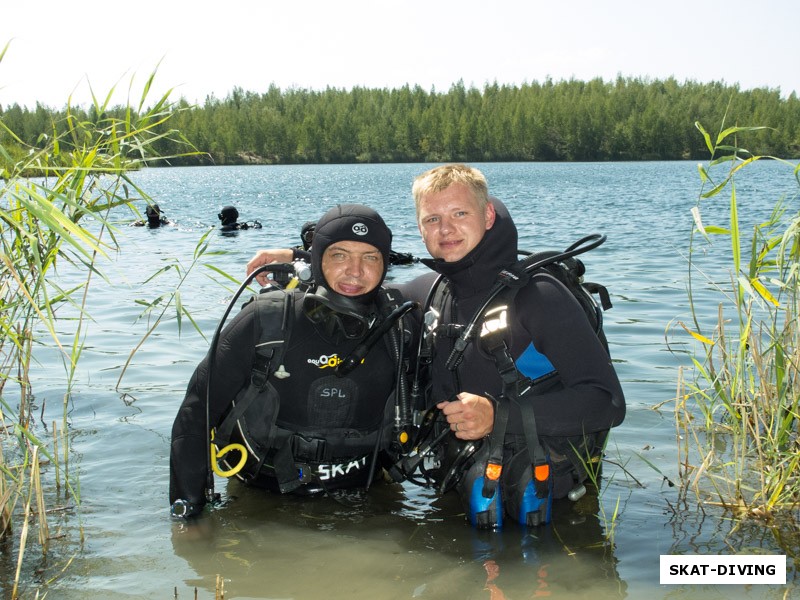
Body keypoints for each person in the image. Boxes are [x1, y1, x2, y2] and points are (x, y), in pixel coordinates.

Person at [246, 164, 625, 528]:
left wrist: (498, 414)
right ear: (420, 228)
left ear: (488, 215)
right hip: (459, 482)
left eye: (459, 213)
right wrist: (301, 260)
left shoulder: (539, 297)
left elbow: (607, 402)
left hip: (543, 495)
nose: (446, 229)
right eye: (432, 219)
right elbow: (364, 287)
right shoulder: (433, 292)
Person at [170, 204, 412, 518]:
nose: (355, 271)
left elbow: (458, 270)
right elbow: (194, 416)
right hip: (264, 502)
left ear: (384, 263)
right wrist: (188, 514)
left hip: (371, 499)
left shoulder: (401, 324)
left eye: (370, 257)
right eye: (339, 255)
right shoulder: (266, 321)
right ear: (318, 258)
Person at [296, 220, 417, 266]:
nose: (313, 242)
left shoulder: (394, 258)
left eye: (317, 237)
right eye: (310, 237)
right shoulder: (297, 254)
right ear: (303, 238)